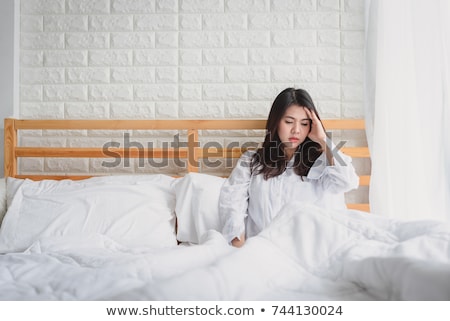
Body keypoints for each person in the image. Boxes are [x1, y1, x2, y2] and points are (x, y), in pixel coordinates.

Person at [219, 88, 359, 247]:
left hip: (309, 251)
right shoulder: (251, 161)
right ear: (276, 121)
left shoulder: (323, 162)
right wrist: (239, 249)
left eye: (305, 123)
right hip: (260, 250)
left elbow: (347, 181)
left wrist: (323, 139)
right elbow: (232, 205)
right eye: (289, 122)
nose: (296, 130)